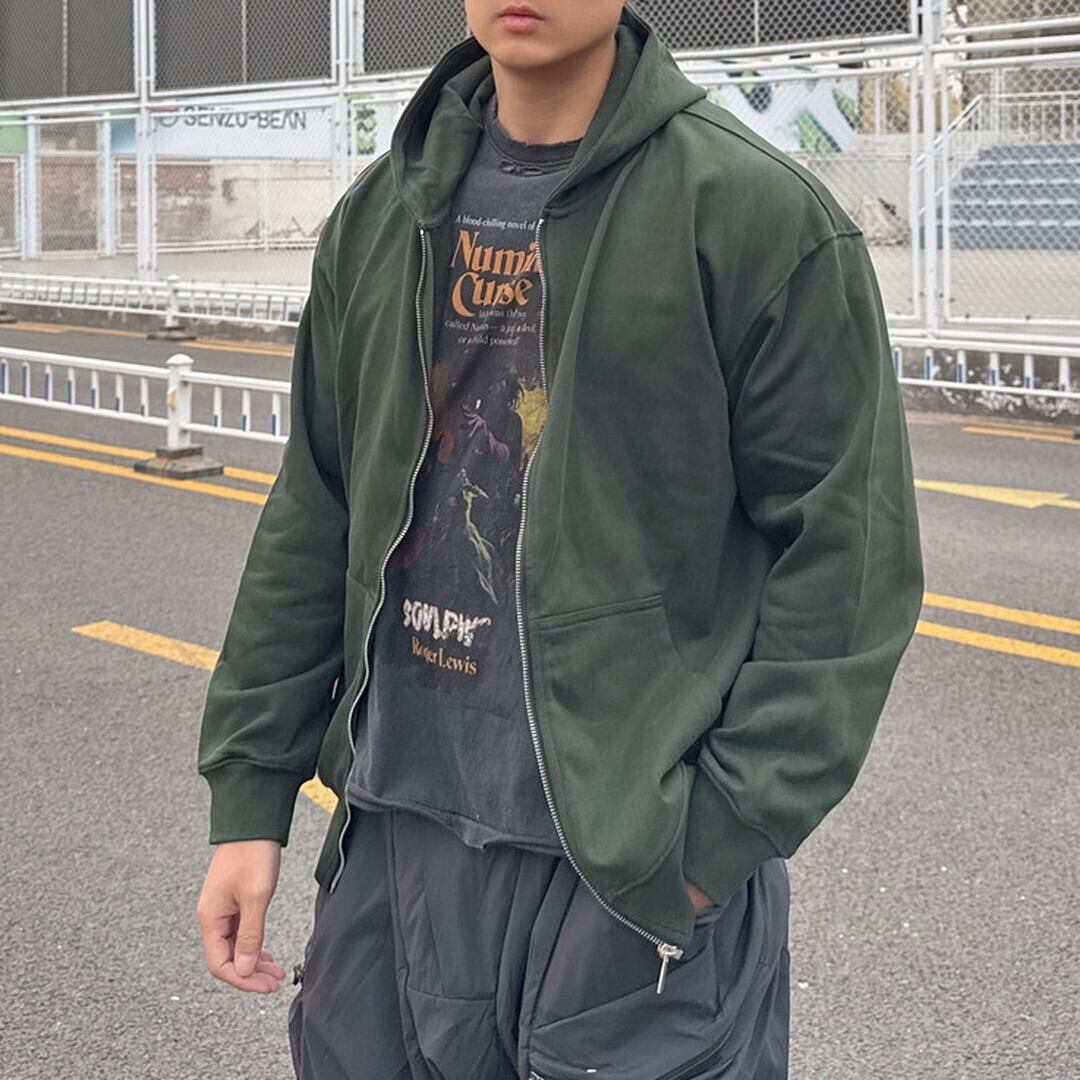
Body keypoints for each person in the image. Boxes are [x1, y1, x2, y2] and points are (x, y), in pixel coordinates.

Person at [195, 2, 925, 1077]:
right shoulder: (383, 215)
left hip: (624, 869)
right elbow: (316, 510)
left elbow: (849, 559)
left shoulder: (754, 217)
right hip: (392, 841)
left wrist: (713, 842)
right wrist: (250, 797)